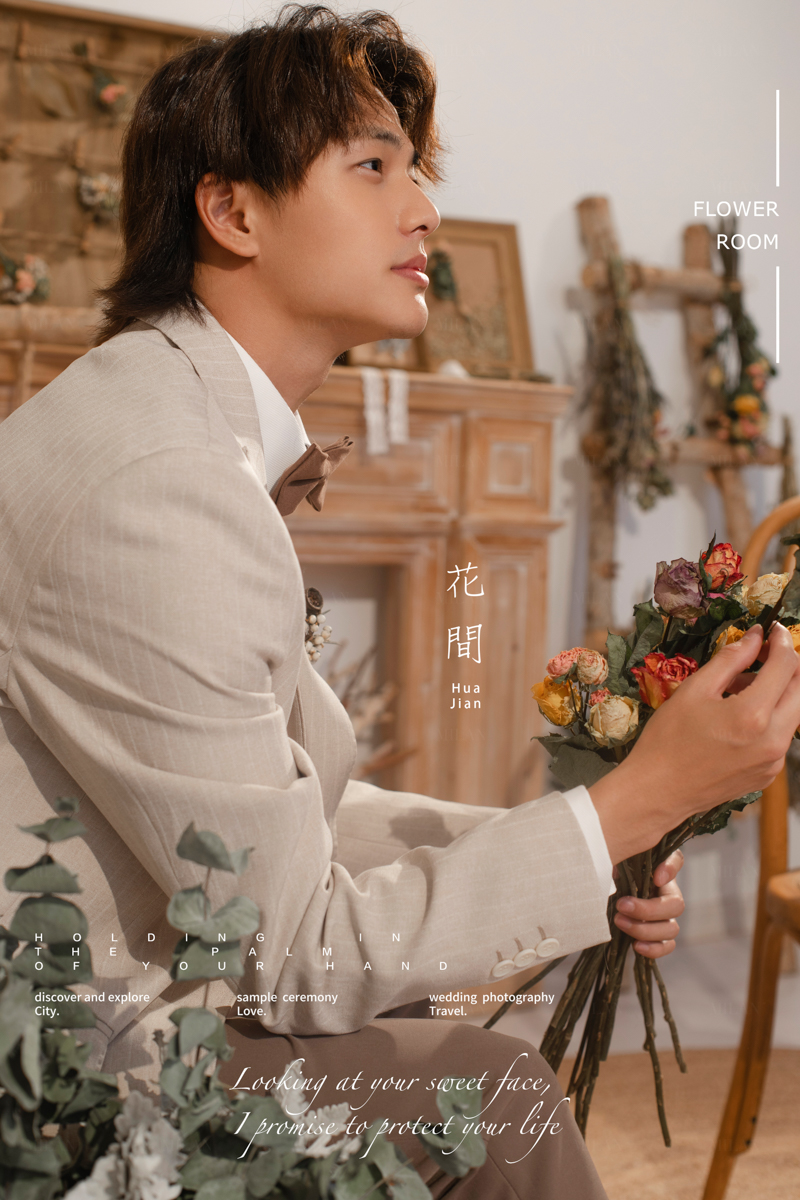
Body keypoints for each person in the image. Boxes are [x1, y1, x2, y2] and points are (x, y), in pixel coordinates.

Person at [0, 6, 798, 1196]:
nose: (422, 208)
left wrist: (596, 836)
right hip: (76, 1058)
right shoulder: (160, 482)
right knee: (500, 1102)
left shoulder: (159, 414)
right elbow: (291, 959)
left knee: (459, 1042)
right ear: (232, 212)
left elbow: (278, 822)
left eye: (416, 169)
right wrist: (633, 799)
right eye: (372, 167)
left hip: (144, 977)